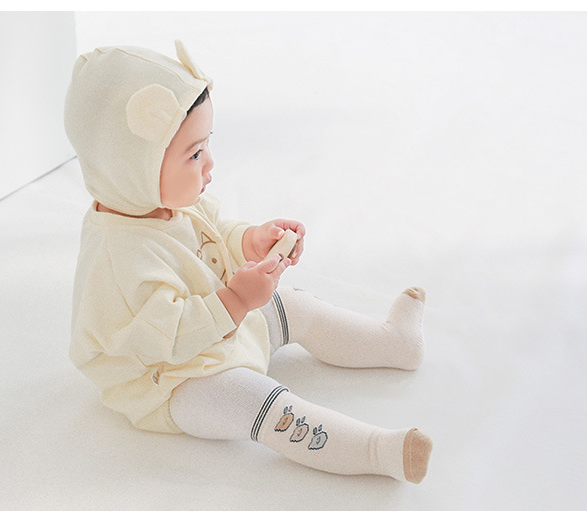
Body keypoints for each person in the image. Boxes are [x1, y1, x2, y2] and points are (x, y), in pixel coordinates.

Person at [65, 41, 432, 483]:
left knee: (295, 304)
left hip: (224, 328)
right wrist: (237, 300)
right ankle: (378, 451)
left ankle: (393, 342)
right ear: (132, 167)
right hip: (172, 379)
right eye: (194, 154)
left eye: (207, 145)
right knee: (258, 402)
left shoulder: (171, 202)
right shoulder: (119, 260)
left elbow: (217, 231)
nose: (209, 164)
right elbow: (167, 338)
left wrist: (254, 241)